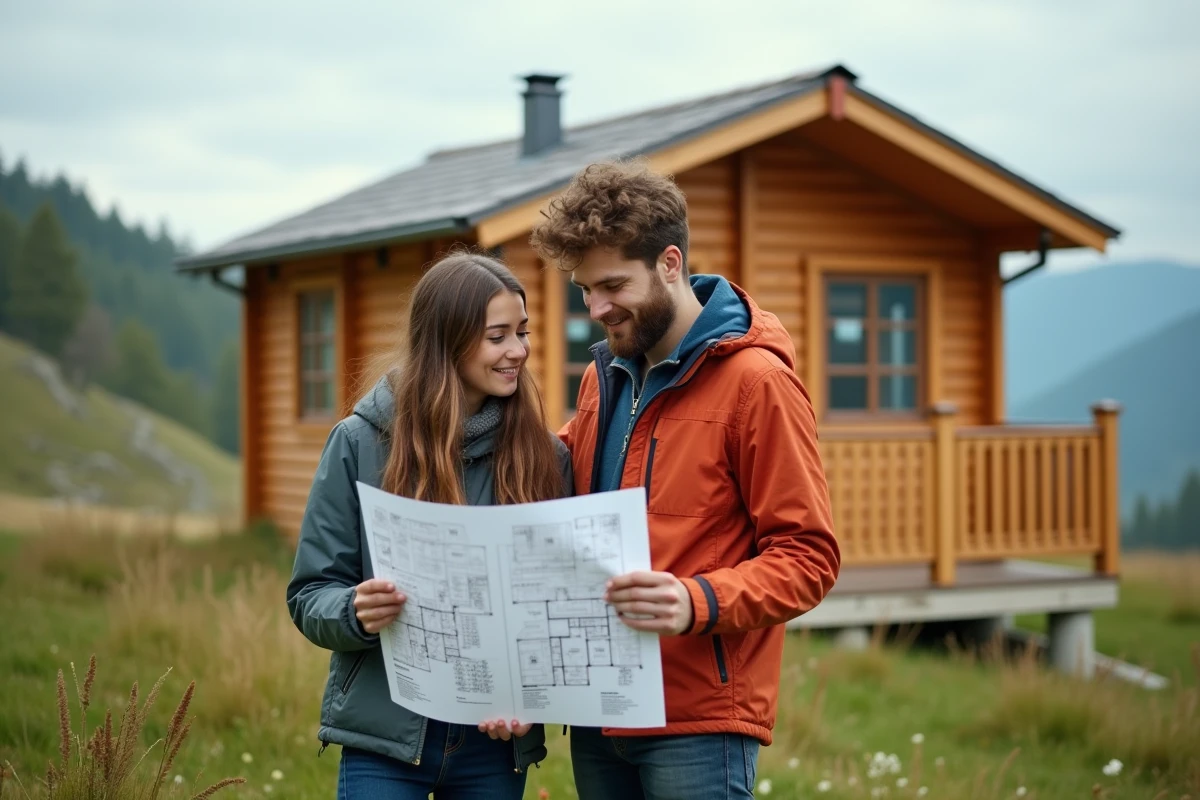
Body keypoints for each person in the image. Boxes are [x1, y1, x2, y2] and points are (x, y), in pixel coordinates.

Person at [530, 161, 841, 800]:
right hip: (600, 708)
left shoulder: (758, 383)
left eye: (613, 285)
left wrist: (696, 601)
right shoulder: (601, 379)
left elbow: (808, 558)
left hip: (697, 722)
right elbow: (548, 487)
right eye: (585, 290)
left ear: (669, 263)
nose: (596, 309)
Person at [286, 251, 572, 800]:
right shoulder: (358, 443)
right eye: (498, 337)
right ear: (446, 342)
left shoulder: (545, 457)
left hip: (493, 745)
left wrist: (529, 699)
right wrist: (353, 611)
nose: (519, 350)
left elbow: (555, 609)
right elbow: (309, 593)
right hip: (384, 740)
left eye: (523, 332)